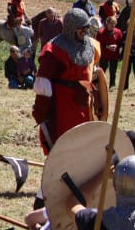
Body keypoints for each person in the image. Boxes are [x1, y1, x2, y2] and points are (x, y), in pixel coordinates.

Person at [33, 10, 99, 153]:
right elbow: (43, 82)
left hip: (82, 100)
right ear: (71, 28)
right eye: (82, 28)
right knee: (66, 137)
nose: (85, 31)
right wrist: (42, 108)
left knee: (84, 135)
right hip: (63, 102)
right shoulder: (54, 49)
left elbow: (92, 68)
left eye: (86, 27)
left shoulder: (88, 45)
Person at [96, 15, 123, 85]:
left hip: (114, 55)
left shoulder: (118, 32)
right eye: (111, 23)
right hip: (104, 55)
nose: (113, 25)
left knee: (113, 71)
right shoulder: (101, 32)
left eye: (114, 23)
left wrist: (117, 47)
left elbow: (121, 43)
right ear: (107, 23)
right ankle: (100, 84)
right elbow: (98, 44)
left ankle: (112, 85)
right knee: (102, 71)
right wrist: (107, 47)